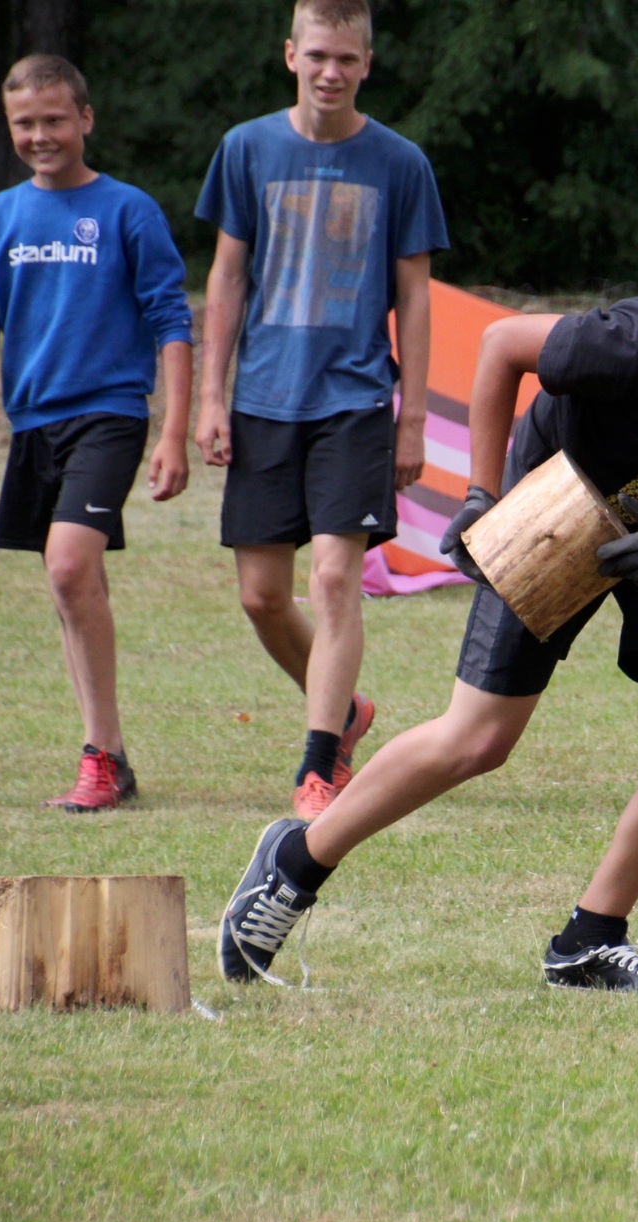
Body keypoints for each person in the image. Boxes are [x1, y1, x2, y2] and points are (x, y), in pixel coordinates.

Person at [218, 212, 638, 992]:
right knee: (477, 739)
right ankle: (297, 858)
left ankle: (590, 939)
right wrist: (483, 496)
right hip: (557, 504)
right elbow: (502, 345)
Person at [193, 0, 448, 820]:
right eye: (317, 56)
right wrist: (210, 396)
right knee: (262, 597)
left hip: (357, 399)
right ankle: (346, 712)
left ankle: (317, 766)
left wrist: (412, 417)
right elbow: (227, 277)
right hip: (264, 397)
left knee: (336, 577)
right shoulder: (246, 149)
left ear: (366, 64)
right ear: (290, 55)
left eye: (346, 58)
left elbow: (416, 294)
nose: (330, 72)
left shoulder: (400, 162)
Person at [0, 54, 194, 813]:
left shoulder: (127, 210)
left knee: (70, 566)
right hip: (33, 423)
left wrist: (173, 431)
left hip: (109, 414)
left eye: (54, 119)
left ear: (85, 119)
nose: (40, 134)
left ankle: (99, 759)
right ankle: (110, 756)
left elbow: (172, 322)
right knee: (74, 583)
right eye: (25, 123)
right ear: (9, 127)